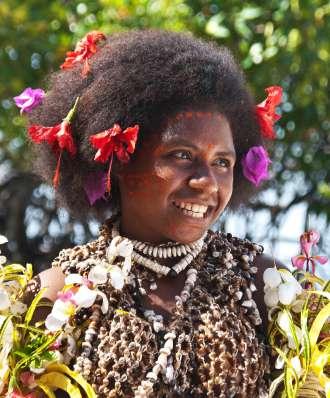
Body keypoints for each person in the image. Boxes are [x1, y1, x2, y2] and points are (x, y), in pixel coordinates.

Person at [25, 29, 281, 397]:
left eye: (222, 161)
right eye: (182, 155)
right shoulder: (55, 296)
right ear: (121, 161)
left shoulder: (266, 288)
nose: (207, 182)